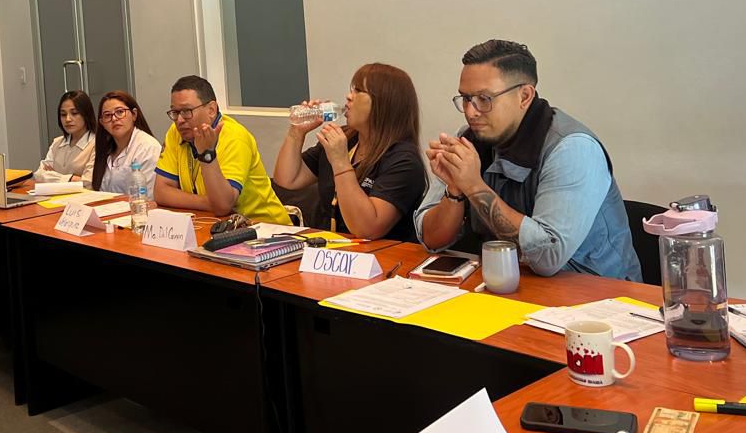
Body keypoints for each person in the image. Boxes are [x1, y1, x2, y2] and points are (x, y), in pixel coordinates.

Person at [414, 40, 641, 280]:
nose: (471, 111)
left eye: (484, 98)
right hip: (508, 282)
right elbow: (431, 240)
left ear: (524, 96)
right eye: (466, 98)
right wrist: (455, 190)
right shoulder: (470, 139)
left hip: (597, 290)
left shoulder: (572, 148)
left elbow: (548, 257)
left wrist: (473, 186)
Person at [273, 64, 427, 240]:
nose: (348, 96)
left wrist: (340, 163)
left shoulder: (404, 160)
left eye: (358, 91)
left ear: (383, 103)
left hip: (381, 253)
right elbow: (288, 180)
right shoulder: (347, 138)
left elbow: (367, 228)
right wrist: (296, 133)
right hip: (332, 248)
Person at [154, 75, 291, 225]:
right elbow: (161, 192)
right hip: (213, 223)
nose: (179, 120)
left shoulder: (235, 137)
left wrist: (206, 154)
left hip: (265, 227)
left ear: (211, 110)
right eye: (175, 112)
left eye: (186, 111)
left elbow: (222, 205)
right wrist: (208, 203)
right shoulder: (176, 132)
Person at [90, 91, 162, 199]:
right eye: (107, 115)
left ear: (134, 115)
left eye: (120, 112)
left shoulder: (148, 147)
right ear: (102, 123)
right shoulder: (104, 149)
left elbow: (148, 197)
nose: (114, 119)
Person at [34, 90, 96, 183]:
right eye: (63, 114)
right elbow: (39, 175)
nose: (68, 119)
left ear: (86, 114)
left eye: (74, 113)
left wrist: (53, 175)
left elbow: (88, 183)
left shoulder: (96, 144)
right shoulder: (57, 142)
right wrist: (72, 178)